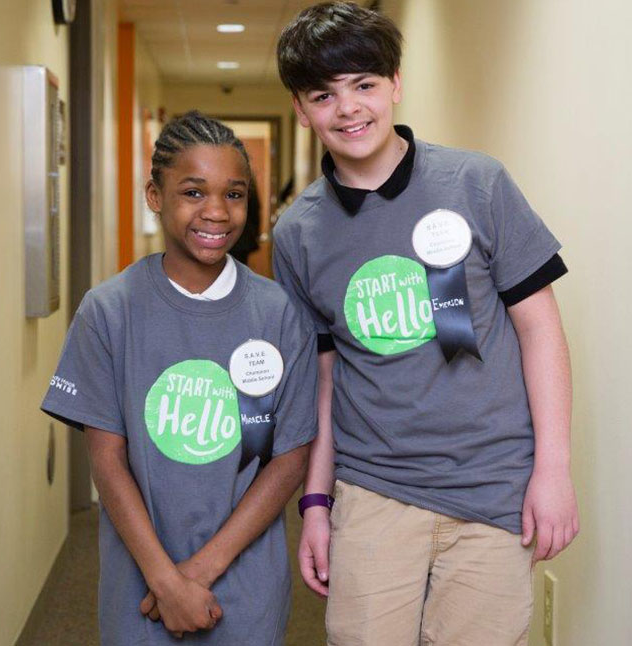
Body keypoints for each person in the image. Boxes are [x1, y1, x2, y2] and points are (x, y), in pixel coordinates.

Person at [273, 3, 579, 645]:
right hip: (372, 492)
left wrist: (553, 472)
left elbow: (540, 329)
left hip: (493, 488)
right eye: (324, 95)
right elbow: (323, 383)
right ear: (301, 110)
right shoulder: (298, 233)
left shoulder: (477, 183)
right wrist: (317, 504)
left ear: (395, 86)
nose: (349, 109)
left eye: (365, 84)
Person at [41, 112, 317, 646]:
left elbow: (290, 458)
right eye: (193, 191)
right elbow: (106, 459)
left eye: (234, 194)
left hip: (244, 582)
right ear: (155, 196)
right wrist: (164, 579)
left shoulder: (277, 312)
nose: (216, 211)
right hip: (140, 583)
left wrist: (195, 575)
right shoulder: (109, 311)